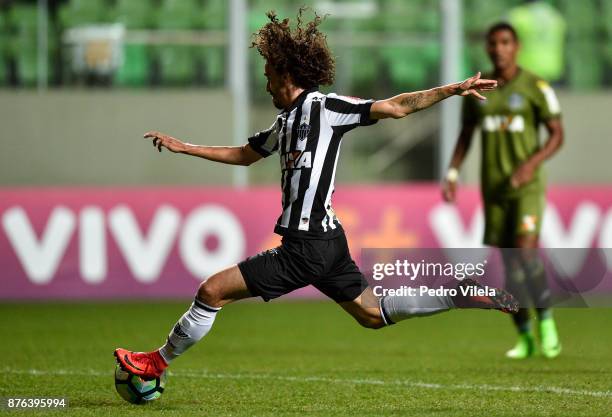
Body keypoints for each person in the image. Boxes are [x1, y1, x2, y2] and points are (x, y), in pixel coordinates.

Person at [115, 10, 516, 379]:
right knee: (371, 314)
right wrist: (184, 146)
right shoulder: (284, 122)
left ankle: (157, 362)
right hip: (326, 242)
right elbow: (244, 155)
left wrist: (453, 88)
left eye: (269, 72)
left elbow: (395, 107)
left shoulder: (326, 107)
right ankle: (461, 295)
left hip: (305, 246)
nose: (265, 80)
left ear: (286, 73)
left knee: (212, 291)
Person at [442, 22, 564, 359]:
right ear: (488, 48)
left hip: (526, 188)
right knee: (510, 266)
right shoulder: (480, 89)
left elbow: (557, 134)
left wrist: (530, 164)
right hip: (493, 188)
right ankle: (524, 334)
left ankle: (547, 321)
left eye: (505, 42)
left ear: (517, 47)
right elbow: (466, 134)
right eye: (493, 43)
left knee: (526, 254)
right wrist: (452, 172)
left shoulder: (535, 87)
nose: (499, 49)